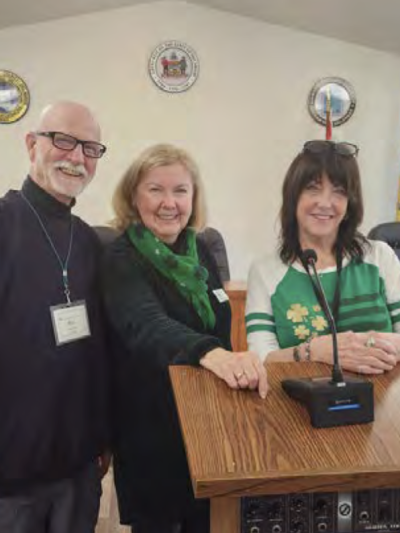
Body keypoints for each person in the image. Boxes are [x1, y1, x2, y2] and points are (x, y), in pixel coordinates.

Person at [100, 143, 268, 533]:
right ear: (133, 196)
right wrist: (214, 354)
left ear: (194, 197)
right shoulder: (120, 257)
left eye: (180, 190)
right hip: (151, 429)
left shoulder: (201, 250)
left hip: (207, 422)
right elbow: (146, 322)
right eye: (155, 189)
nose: (169, 202)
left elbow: (219, 318)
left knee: (210, 520)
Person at [0, 101, 110, 533]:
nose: (77, 156)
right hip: (11, 470)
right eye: (63, 140)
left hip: (79, 465)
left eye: (90, 148)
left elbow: (99, 350)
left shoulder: (89, 241)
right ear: (31, 145)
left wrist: (103, 436)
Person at [246, 139, 400, 374]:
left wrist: (363, 344)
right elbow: (262, 359)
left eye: (339, 191)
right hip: (299, 404)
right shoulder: (265, 270)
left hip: (383, 401)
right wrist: (313, 351)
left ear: (350, 203)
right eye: (313, 188)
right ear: (293, 197)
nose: (325, 203)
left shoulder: (380, 257)